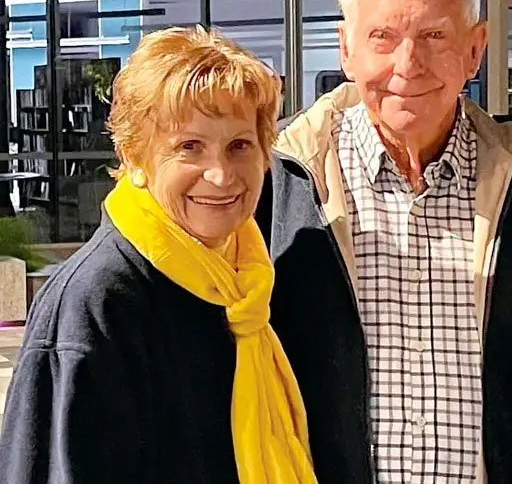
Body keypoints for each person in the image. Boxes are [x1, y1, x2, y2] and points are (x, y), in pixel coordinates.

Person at [254, 0, 512, 484]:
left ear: (475, 49)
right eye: (382, 36)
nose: (408, 63)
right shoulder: (276, 189)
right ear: (346, 49)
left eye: (434, 35)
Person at [0, 27, 317, 484]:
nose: (220, 174)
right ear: (134, 157)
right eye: (189, 147)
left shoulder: (246, 284)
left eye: (239, 146)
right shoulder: (95, 303)